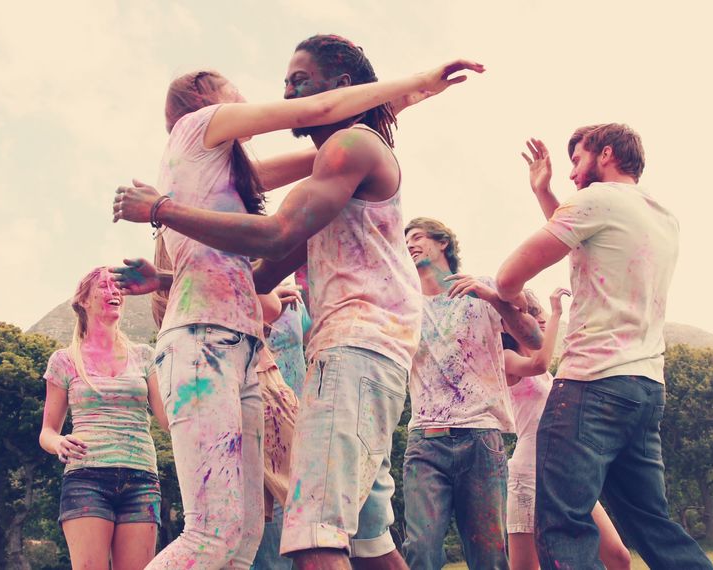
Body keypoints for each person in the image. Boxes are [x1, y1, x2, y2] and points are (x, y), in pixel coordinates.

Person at [113, 35, 484, 570]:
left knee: (283, 537)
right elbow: (266, 266)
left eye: (296, 82)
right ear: (202, 100)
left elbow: (278, 226)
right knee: (240, 537)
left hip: (342, 343)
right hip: (241, 344)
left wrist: (163, 210)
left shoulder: (341, 152)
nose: (279, 96)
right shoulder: (207, 136)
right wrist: (169, 273)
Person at [495, 126, 713, 569]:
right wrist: (545, 193)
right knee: (653, 524)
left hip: (590, 386)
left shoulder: (594, 201)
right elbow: (587, 242)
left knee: (562, 522)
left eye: (577, 161)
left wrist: (511, 300)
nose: (573, 174)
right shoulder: (661, 215)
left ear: (606, 153)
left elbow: (507, 277)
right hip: (644, 387)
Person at [400, 217, 542, 570]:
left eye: (417, 236)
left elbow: (534, 341)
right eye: (404, 241)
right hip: (425, 440)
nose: (410, 244)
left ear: (443, 242)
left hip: (480, 439)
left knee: (489, 557)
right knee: (420, 549)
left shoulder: (484, 288)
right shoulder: (403, 306)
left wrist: (494, 299)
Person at [38, 267, 169, 570]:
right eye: (105, 286)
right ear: (83, 299)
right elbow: (47, 431)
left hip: (142, 479)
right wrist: (58, 442)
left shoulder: (144, 356)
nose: (115, 292)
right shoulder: (64, 360)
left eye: (118, 287)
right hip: (86, 479)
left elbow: (167, 420)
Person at [502, 289, 631, 570]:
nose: (541, 319)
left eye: (540, 313)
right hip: (529, 474)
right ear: (507, 322)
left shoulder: (547, 374)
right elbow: (539, 363)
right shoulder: (506, 359)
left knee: (619, 558)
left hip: (566, 473)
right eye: (531, 314)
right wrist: (559, 313)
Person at [253, 283, 309, 570]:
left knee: (309, 531)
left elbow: (312, 352)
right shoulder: (248, 284)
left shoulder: (297, 301)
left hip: (297, 417)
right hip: (261, 416)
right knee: (272, 552)